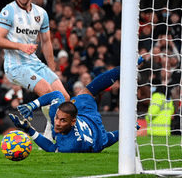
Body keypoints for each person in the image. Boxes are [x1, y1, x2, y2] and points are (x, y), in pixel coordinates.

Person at [9, 58, 143, 152]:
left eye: (62, 121)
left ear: (73, 122)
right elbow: (56, 95)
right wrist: (31, 106)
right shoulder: (59, 114)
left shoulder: (70, 146)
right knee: (88, 90)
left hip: (97, 138)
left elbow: (51, 148)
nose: (57, 123)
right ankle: (125, 67)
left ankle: (126, 67)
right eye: (56, 118)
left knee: (106, 140)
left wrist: (29, 130)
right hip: (91, 120)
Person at [0, 0, 69, 138]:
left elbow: (47, 41)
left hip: (34, 62)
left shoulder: (41, 13)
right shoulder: (9, 11)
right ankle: (50, 136)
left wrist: (53, 69)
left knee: (64, 97)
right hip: (15, 65)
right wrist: (21, 46)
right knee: (48, 91)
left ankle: (52, 129)